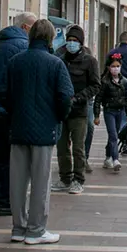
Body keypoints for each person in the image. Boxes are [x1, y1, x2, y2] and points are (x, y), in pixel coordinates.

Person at [0, 19, 74, 245]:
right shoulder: (55, 64)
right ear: (50, 38)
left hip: (19, 128)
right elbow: (65, 97)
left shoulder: (15, 61)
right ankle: (36, 230)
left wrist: (15, 112)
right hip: (44, 130)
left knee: (18, 182)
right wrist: (58, 117)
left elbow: (2, 93)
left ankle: (18, 227)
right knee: (41, 182)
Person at [0, 12, 36, 216]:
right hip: (9, 107)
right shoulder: (21, 46)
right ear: (25, 28)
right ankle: (4, 202)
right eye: (33, 27)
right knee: (12, 157)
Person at [53, 25, 101, 195]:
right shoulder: (60, 59)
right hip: (61, 111)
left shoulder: (90, 61)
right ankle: (65, 178)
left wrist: (79, 97)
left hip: (79, 111)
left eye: (75, 41)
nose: (71, 43)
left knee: (78, 148)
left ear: (81, 43)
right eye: (69, 40)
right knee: (61, 147)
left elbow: (96, 85)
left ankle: (78, 180)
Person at [93, 54, 127, 172]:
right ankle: (115, 159)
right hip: (109, 111)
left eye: (118, 66)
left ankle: (108, 157)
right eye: (113, 66)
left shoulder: (124, 81)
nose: (115, 68)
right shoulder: (104, 82)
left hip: (120, 111)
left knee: (113, 136)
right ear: (109, 68)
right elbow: (98, 99)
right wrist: (96, 115)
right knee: (114, 135)